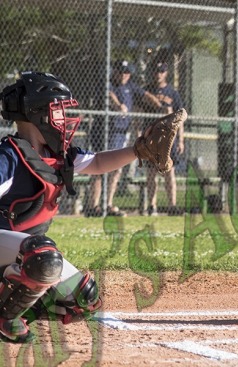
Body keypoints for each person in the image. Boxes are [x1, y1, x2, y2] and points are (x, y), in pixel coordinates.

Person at [0, 71, 146, 342]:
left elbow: (99, 163)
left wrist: (139, 150)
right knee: (44, 255)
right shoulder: (10, 156)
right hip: (9, 245)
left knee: (84, 298)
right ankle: (5, 316)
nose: (63, 119)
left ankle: (14, 299)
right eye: (58, 111)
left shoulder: (58, 156)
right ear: (38, 114)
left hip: (21, 253)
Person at [84, 60, 163, 217]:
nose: (123, 75)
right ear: (115, 72)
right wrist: (119, 105)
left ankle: (108, 204)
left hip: (120, 134)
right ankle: (94, 206)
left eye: (126, 72)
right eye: (120, 71)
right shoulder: (106, 84)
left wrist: (159, 105)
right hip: (104, 133)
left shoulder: (131, 86)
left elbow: (145, 95)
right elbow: (109, 94)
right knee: (99, 167)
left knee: (116, 170)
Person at [144, 62, 184, 216]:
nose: (158, 74)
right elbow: (138, 113)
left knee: (169, 172)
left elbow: (180, 118)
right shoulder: (146, 91)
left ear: (166, 73)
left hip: (168, 139)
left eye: (161, 71)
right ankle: (151, 206)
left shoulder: (173, 93)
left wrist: (181, 140)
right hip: (151, 138)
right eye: (156, 70)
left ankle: (172, 206)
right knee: (151, 173)